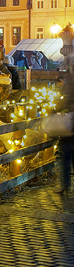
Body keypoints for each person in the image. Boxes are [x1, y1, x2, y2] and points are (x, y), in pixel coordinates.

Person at [57, 63, 74, 196]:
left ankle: (65, 185)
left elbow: (61, 103)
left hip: (69, 124)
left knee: (66, 155)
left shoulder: (68, 85)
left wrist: (55, 111)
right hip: (70, 123)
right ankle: (65, 184)